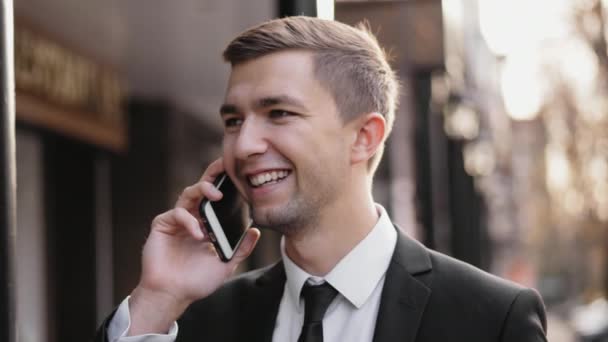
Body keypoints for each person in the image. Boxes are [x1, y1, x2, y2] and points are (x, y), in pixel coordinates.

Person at [95, 16, 547, 342]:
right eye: (233, 121)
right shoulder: (193, 318)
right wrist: (158, 297)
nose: (244, 143)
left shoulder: (491, 319)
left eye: (279, 113)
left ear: (364, 137)